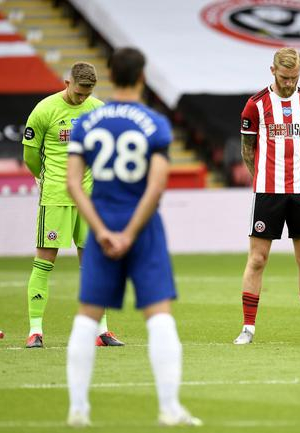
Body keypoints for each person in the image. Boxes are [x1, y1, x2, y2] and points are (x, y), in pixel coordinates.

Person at [65, 47, 201, 427]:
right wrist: (129, 233)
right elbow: (156, 186)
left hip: (102, 225)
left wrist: (101, 230)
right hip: (143, 229)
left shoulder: (87, 122)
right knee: (159, 315)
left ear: (109, 75)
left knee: (87, 317)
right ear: (142, 77)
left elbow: (73, 183)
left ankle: (78, 409)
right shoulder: (154, 123)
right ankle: (169, 408)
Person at [233, 47, 300, 345]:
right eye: (284, 77)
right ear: (273, 71)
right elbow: (247, 150)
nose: (289, 83)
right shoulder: (256, 105)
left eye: (294, 77)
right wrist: (261, 178)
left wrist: (297, 170)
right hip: (268, 191)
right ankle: (247, 329)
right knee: (258, 259)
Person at [22, 62, 123, 348]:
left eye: (87, 94)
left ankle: (101, 331)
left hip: (89, 199)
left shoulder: (97, 110)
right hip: (56, 196)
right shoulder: (45, 110)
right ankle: (35, 331)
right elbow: (30, 155)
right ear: (68, 83)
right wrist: (43, 178)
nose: (82, 99)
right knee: (44, 262)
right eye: (79, 93)